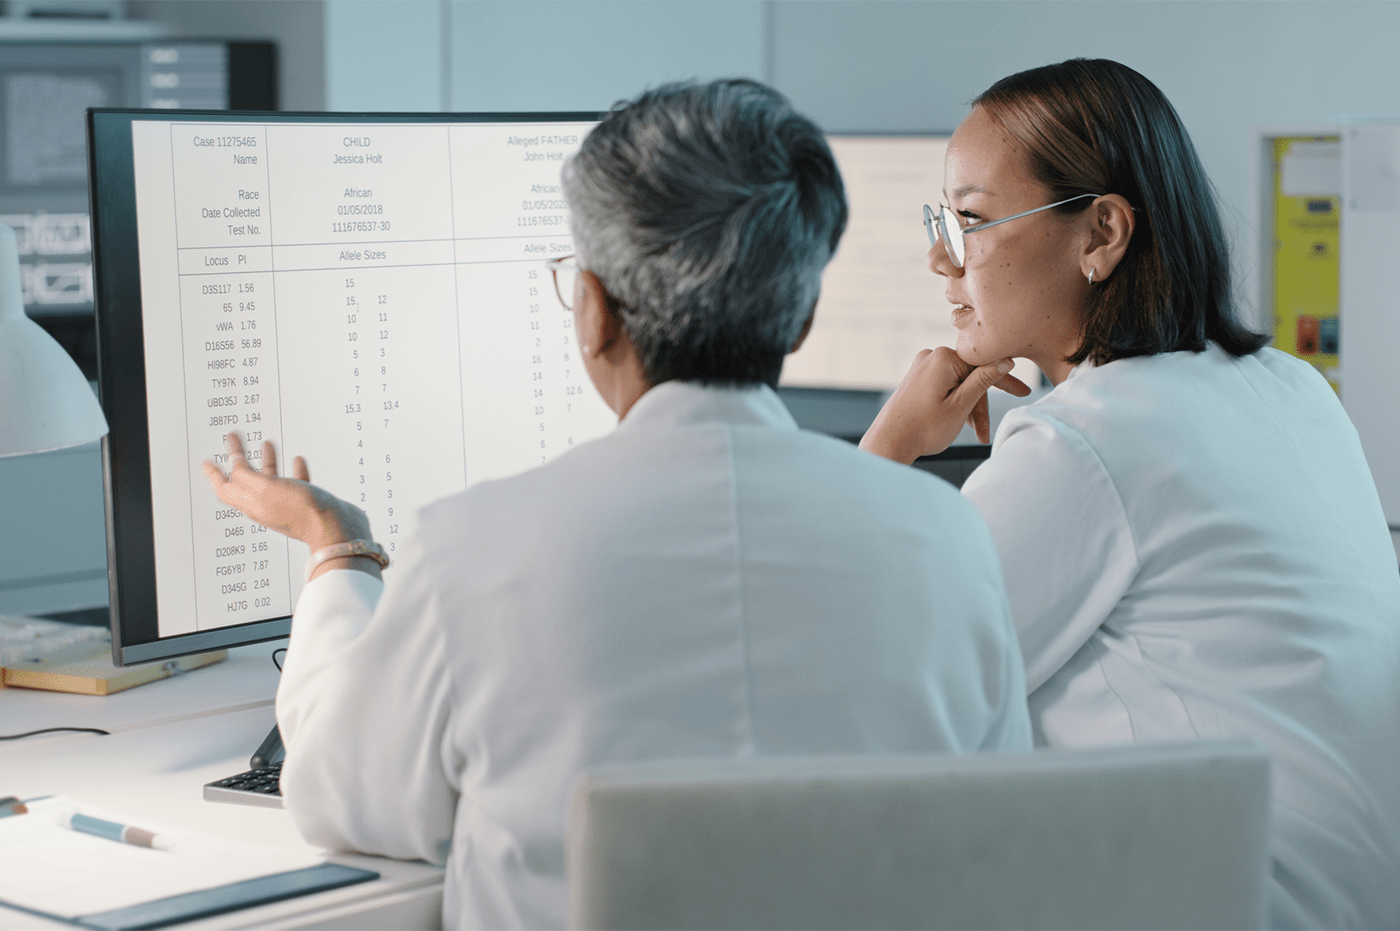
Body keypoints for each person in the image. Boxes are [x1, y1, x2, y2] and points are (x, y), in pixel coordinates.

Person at [203, 79, 1031, 930]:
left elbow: (343, 797)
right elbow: (994, 822)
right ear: (801, 318)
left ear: (593, 312)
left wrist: (338, 551)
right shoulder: (946, 537)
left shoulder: (475, 548)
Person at [861, 58, 1400, 929]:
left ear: (1101, 234)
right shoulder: (1289, 384)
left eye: (969, 220)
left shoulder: (1087, 441)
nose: (938, 258)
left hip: (1233, 900)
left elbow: (863, 681)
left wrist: (886, 447)